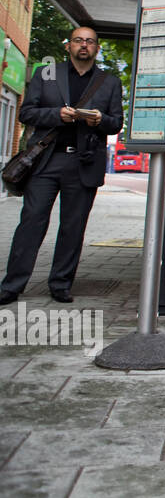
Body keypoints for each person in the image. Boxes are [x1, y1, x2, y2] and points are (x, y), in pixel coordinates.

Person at [2, 27, 123, 305]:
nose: (84, 45)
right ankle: (12, 285)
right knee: (31, 222)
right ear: (68, 46)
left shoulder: (109, 82)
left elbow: (116, 122)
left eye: (90, 41)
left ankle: (60, 284)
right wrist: (57, 115)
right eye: (79, 41)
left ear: (97, 48)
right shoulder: (47, 74)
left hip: (83, 162)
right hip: (46, 160)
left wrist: (99, 119)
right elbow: (26, 113)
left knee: (73, 226)